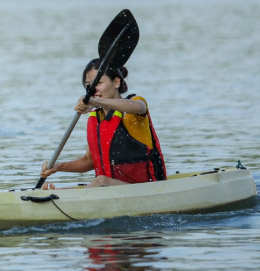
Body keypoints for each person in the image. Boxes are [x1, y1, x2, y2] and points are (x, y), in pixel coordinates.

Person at [40, 59, 167, 188]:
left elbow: (139, 108)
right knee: (100, 182)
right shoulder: (97, 117)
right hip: (114, 190)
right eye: (88, 84)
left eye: (98, 83)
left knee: (101, 181)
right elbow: (89, 161)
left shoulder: (133, 104)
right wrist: (58, 166)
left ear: (116, 82)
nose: (92, 89)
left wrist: (96, 102)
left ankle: (61, 199)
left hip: (148, 188)